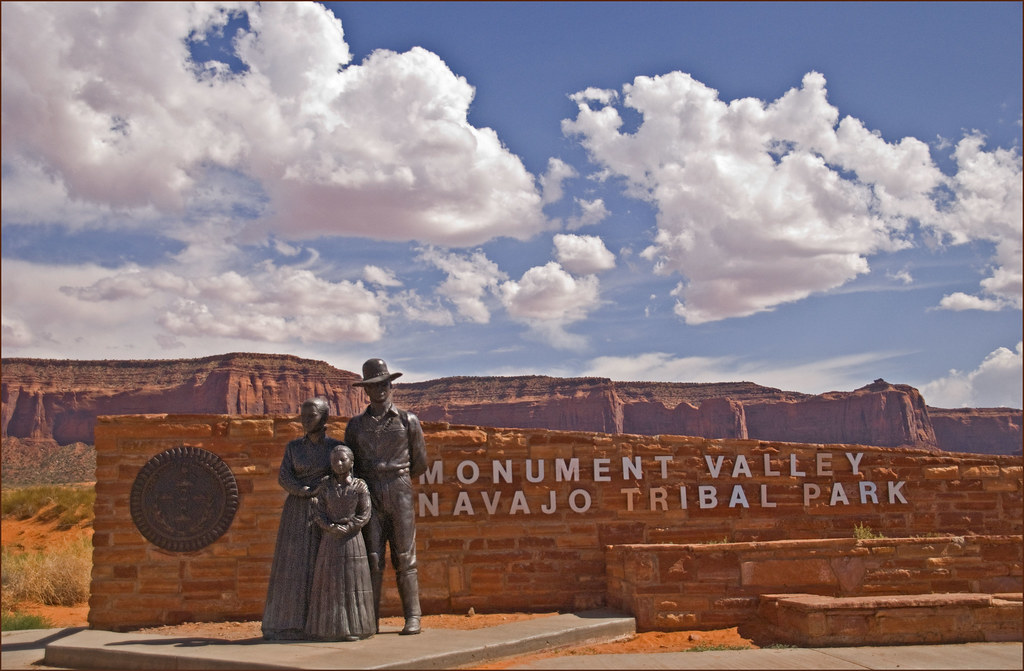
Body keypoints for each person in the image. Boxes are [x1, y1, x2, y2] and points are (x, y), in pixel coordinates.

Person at [344, 358, 428, 635]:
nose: (379, 389)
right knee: (372, 558)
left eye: (383, 384)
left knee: (405, 556)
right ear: (365, 391)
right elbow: (351, 463)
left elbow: (420, 463)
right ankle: (371, 619)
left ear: (391, 385)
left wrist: (397, 479)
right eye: (372, 386)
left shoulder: (407, 420)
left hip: (400, 488)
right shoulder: (355, 426)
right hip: (370, 493)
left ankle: (412, 616)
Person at [262, 397, 342, 640]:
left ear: (325, 418)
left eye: (312, 416)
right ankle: (289, 623)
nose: (306, 421)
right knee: (293, 565)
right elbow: (284, 477)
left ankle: (323, 624)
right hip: (296, 511)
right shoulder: (293, 448)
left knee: (323, 565)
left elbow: (343, 475)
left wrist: (322, 491)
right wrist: (304, 491)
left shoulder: (335, 449)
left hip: (326, 510)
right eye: (303, 416)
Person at [305, 445, 375, 641]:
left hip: (353, 541)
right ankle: (328, 629)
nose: (338, 463)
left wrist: (349, 527)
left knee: (354, 584)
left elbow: (365, 513)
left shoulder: (360, 486)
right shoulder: (325, 486)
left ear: (351, 463)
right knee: (330, 584)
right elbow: (318, 512)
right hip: (330, 541)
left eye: (343, 459)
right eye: (335, 460)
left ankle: (357, 628)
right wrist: (329, 527)